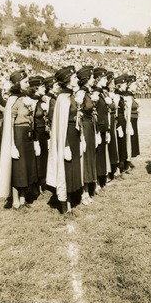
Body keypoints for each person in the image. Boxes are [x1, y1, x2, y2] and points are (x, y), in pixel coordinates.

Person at [0, 69, 38, 209]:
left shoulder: (24, 97)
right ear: (17, 83)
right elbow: (10, 123)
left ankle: (22, 199)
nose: (28, 84)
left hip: (26, 135)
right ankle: (15, 200)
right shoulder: (13, 99)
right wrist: (12, 145)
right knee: (18, 168)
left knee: (25, 167)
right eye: (25, 82)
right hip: (18, 135)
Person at [46, 66, 83, 214]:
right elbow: (61, 125)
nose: (76, 79)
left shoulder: (71, 96)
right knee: (65, 170)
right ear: (67, 80)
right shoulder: (62, 99)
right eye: (74, 77)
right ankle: (64, 204)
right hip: (66, 138)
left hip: (74, 136)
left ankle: (71, 200)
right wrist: (65, 145)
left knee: (72, 168)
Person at [76, 66, 97, 205]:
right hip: (85, 127)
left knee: (90, 157)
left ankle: (89, 188)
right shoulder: (81, 93)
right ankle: (83, 192)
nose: (94, 79)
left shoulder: (88, 92)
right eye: (92, 77)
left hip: (90, 127)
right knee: (85, 158)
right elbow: (78, 114)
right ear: (86, 80)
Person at [92, 67, 110, 192]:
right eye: (104, 78)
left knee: (102, 154)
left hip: (104, 127)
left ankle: (101, 179)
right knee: (97, 155)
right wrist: (97, 130)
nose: (106, 80)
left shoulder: (102, 92)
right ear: (98, 79)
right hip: (98, 128)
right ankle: (96, 182)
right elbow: (96, 113)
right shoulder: (95, 94)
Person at [113, 74, 128, 179]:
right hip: (119, 123)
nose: (126, 86)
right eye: (124, 84)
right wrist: (118, 125)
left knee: (122, 145)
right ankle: (118, 169)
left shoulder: (120, 96)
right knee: (119, 144)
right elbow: (116, 112)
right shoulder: (117, 97)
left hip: (123, 122)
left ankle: (121, 168)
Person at [124, 75, 140, 169]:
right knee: (130, 139)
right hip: (130, 119)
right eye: (134, 84)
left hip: (134, 118)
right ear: (129, 85)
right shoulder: (128, 95)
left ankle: (129, 160)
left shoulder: (131, 94)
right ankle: (127, 161)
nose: (136, 86)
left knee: (132, 139)